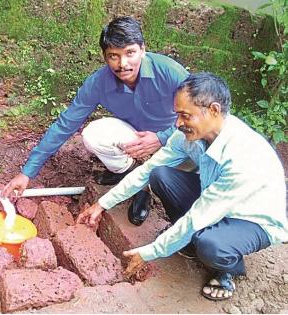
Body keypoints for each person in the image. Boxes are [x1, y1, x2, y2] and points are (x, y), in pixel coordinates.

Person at [77, 72, 288, 300]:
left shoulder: (241, 157)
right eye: (177, 115)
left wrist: (150, 252)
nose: (178, 124)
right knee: (160, 175)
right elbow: (147, 170)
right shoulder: (192, 136)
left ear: (214, 110)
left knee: (210, 244)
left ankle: (227, 269)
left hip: (251, 218)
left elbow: (201, 214)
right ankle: (189, 240)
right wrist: (102, 204)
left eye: (185, 116)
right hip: (214, 197)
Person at [1, 16, 189, 225]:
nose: (123, 64)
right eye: (113, 56)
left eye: (130, 53)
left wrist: (161, 138)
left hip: (175, 136)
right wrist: (27, 172)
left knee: (186, 160)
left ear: (143, 50)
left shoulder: (171, 72)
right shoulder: (99, 82)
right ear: (104, 57)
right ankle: (137, 183)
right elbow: (66, 124)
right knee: (93, 134)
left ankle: (153, 182)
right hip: (134, 139)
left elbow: (199, 117)